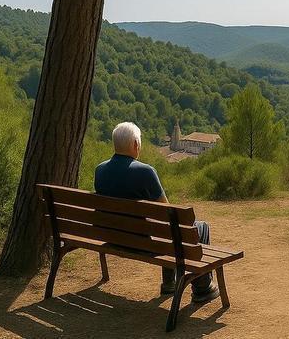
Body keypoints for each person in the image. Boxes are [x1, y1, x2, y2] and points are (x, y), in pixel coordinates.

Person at [94, 122, 220, 302]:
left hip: (113, 236)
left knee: (165, 230)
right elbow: (167, 211)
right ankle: (203, 287)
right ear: (135, 144)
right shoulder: (145, 172)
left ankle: (169, 283)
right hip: (145, 243)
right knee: (200, 227)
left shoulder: (100, 170)